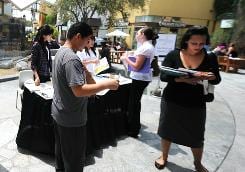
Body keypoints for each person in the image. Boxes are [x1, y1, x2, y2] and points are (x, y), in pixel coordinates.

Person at [51, 22, 119, 172]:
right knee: (74, 161)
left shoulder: (62, 52)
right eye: (87, 39)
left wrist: (86, 73)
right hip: (71, 119)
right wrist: (107, 84)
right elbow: (79, 91)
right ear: (78, 37)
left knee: (62, 156)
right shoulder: (71, 58)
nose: (88, 43)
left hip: (60, 113)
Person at [155, 26, 221, 172]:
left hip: (196, 102)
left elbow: (217, 80)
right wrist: (182, 79)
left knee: (196, 134)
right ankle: (164, 156)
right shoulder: (173, 54)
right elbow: (164, 76)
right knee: (167, 130)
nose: (198, 47)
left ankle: (197, 163)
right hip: (172, 99)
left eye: (201, 44)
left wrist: (210, 76)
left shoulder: (210, 57)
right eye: (194, 43)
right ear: (186, 41)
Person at [121, 27, 158, 138]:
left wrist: (126, 58)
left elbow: (137, 66)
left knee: (133, 104)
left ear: (142, 34)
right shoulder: (146, 47)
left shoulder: (146, 47)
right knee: (135, 103)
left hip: (139, 79)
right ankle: (134, 126)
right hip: (141, 78)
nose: (136, 35)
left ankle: (133, 129)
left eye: (137, 33)